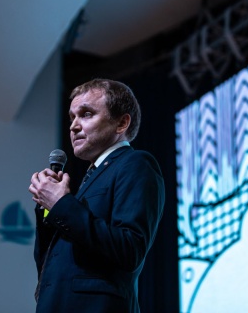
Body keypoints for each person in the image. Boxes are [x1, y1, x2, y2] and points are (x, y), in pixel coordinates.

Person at [28, 78, 165, 313]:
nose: (73, 126)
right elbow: (54, 262)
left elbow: (130, 249)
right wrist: (49, 206)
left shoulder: (136, 163)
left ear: (121, 123)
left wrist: (61, 204)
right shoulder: (91, 178)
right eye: (72, 118)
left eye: (86, 114)